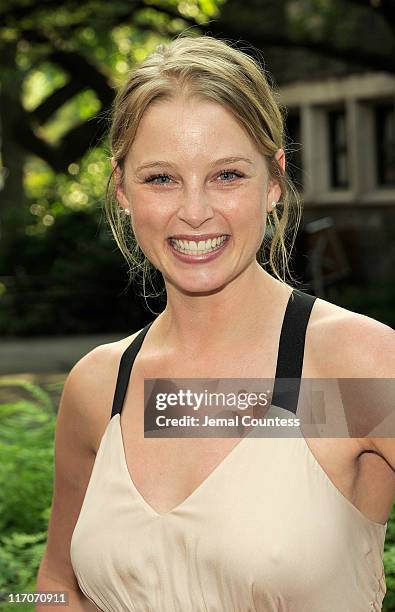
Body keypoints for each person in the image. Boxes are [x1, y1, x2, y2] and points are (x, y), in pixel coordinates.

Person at [35, 35, 395, 611]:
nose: (195, 210)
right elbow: (56, 587)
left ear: (274, 181)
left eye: (227, 175)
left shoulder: (358, 368)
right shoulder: (101, 386)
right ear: (121, 188)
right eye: (161, 178)